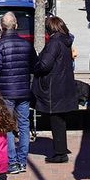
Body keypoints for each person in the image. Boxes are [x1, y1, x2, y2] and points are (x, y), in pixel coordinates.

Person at [0, 11, 35, 176]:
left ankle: (12, 162)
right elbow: (34, 65)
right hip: (23, 91)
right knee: (24, 126)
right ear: (16, 25)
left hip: (6, 92)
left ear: (1, 27)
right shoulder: (26, 45)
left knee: (7, 126)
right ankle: (22, 161)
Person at [32, 15, 77, 163]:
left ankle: (60, 153)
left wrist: (36, 67)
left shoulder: (54, 42)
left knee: (56, 120)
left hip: (54, 87)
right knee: (60, 121)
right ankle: (61, 150)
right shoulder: (65, 41)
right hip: (63, 85)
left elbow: (45, 64)